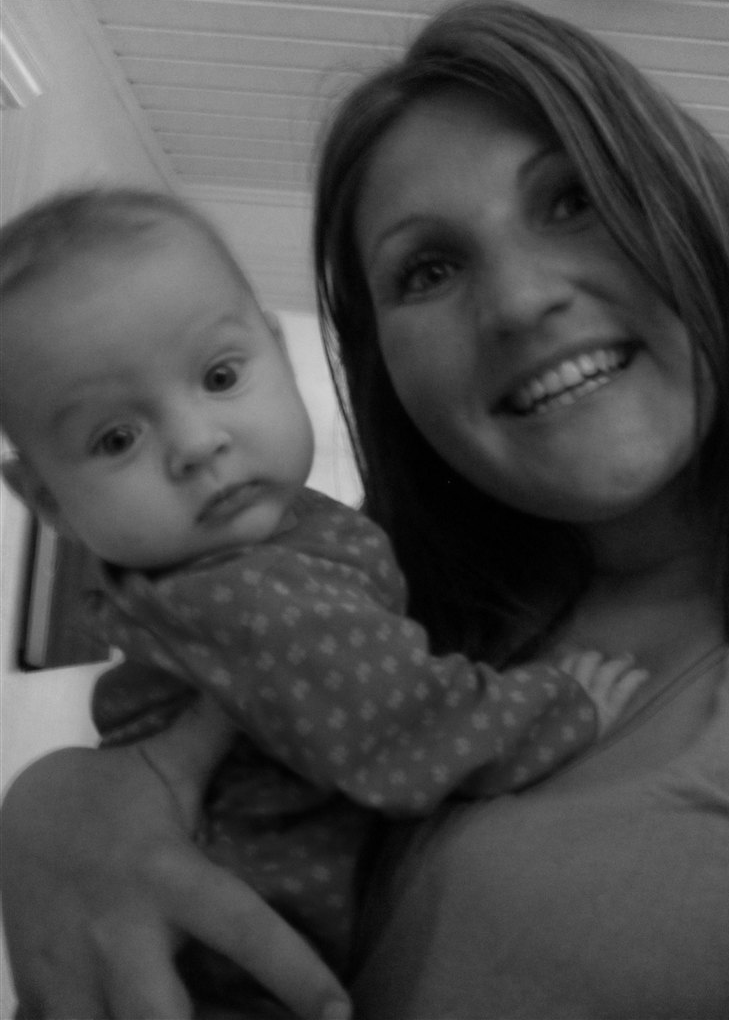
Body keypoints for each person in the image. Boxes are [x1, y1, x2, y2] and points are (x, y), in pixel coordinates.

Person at [1, 0, 729, 1017]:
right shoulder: (394, 595)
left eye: (574, 199)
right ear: (382, 367)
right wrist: (54, 811)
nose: (521, 301)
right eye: (429, 269)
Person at [0, 185, 646, 1017]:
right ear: (46, 500)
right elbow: (404, 726)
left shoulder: (282, 537)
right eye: (116, 438)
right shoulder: (251, 595)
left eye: (220, 376)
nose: (198, 444)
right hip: (225, 981)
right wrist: (563, 707)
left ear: (276, 349)